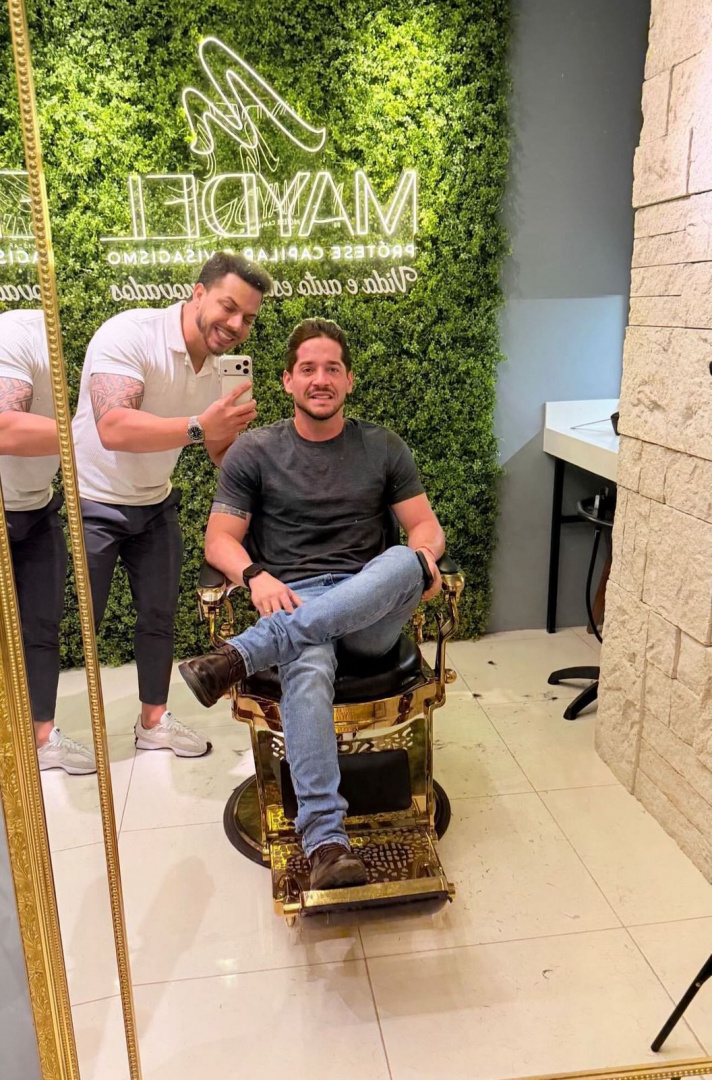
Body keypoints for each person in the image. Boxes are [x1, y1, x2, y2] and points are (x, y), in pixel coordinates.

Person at [180, 317, 445, 889]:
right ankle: (326, 843)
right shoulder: (254, 450)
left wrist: (423, 558)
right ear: (287, 381)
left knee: (406, 560)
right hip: (291, 597)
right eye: (308, 369)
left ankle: (242, 653)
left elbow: (426, 528)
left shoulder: (383, 446)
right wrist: (254, 576)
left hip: (368, 612)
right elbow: (219, 541)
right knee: (307, 662)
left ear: (348, 380)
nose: (320, 379)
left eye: (332, 369)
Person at [72, 252, 272, 758]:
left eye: (248, 318)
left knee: (160, 618)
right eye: (228, 307)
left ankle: (153, 722)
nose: (236, 325)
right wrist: (201, 425)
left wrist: (235, 441)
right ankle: (35, 735)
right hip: (92, 501)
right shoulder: (130, 334)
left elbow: (217, 453)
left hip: (155, 502)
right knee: (79, 624)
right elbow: (113, 427)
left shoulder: (220, 368)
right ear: (198, 293)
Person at [0, 309, 95, 774]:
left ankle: (40, 736)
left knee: (41, 628)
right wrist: (98, 432)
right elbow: (5, 426)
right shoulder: (15, 335)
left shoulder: (56, 342)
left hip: (37, 507)